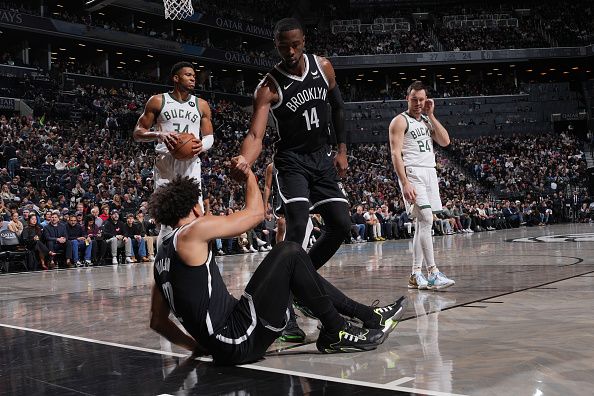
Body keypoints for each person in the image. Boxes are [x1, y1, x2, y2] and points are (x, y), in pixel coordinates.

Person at [148, 171, 407, 365]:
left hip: (228, 340)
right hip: (239, 337)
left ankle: (368, 317)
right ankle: (336, 329)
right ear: (196, 206)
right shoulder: (193, 230)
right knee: (290, 252)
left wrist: (197, 346)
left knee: (290, 261)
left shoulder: (161, 257)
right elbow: (255, 214)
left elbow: (157, 322)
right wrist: (248, 173)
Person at [231, 17, 351, 341]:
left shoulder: (323, 67)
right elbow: (256, 134)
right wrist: (244, 159)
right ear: (276, 45)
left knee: (341, 224)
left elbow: (339, 108)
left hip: (322, 158)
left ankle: (301, 283)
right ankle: (287, 316)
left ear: (304, 40)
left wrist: (341, 150)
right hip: (292, 161)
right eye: (284, 46)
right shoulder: (269, 86)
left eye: (295, 43)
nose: (291, 50)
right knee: (297, 225)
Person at [133, 61, 214, 250]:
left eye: (194, 75)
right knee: (168, 220)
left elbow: (209, 136)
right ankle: (163, 264)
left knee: (195, 215)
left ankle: (197, 260)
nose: (193, 78)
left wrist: (200, 146)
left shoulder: (201, 104)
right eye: (188, 75)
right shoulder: (158, 100)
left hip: (191, 162)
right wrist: (158, 134)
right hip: (165, 162)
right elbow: (138, 132)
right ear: (176, 78)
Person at [388, 81, 455, 290]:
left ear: (426, 100)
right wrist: (405, 182)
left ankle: (415, 274)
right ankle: (433, 272)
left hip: (430, 173)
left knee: (423, 224)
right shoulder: (399, 121)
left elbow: (445, 141)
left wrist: (432, 115)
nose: (418, 103)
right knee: (426, 218)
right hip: (413, 173)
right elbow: (395, 154)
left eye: (421, 99)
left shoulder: (426, 121)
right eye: (414, 99)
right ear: (407, 98)